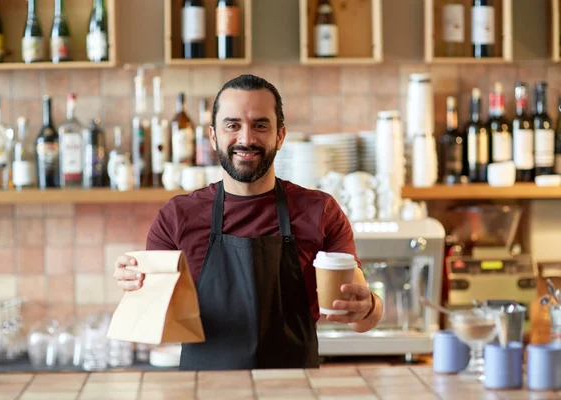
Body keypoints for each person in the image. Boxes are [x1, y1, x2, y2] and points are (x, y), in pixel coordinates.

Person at [113, 74, 383, 371]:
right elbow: (152, 318)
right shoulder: (178, 217)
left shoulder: (320, 211)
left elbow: (361, 319)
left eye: (260, 125)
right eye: (232, 125)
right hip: (205, 391)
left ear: (280, 136)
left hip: (293, 392)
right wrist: (134, 282)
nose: (246, 139)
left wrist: (368, 305)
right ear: (213, 136)